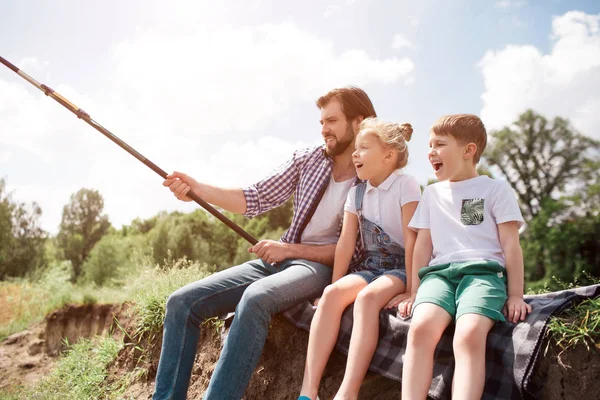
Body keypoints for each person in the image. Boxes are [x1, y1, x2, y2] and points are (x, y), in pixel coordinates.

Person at [153, 86, 377, 400]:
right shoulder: (309, 159)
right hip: (280, 259)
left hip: (323, 267)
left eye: (332, 120)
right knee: (181, 302)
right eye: (321, 122)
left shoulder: (375, 176)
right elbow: (255, 197)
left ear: (360, 122)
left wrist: (290, 250)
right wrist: (197, 189)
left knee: (256, 297)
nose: (324, 129)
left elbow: (352, 252)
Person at [400, 114, 532, 400]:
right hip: (438, 277)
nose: (430, 151)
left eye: (440, 144)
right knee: (420, 329)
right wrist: (413, 291)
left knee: (469, 333)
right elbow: (422, 245)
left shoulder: (494, 189)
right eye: (430, 145)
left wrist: (515, 295)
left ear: (468, 151)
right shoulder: (432, 194)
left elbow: (511, 244)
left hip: (482, 275)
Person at [298, 118, 421, 400]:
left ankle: (348, 392)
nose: (355, 154)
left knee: (366, 300)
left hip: (401, 267)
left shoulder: (407, 186)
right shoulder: (357, 193)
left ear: (389, 155)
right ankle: (308, 391)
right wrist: (335, 285)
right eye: (355, 148)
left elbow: (413, 239)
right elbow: (345, 243)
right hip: (371, 266)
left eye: (363, 148)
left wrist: (412, 290)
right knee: (331, 295)